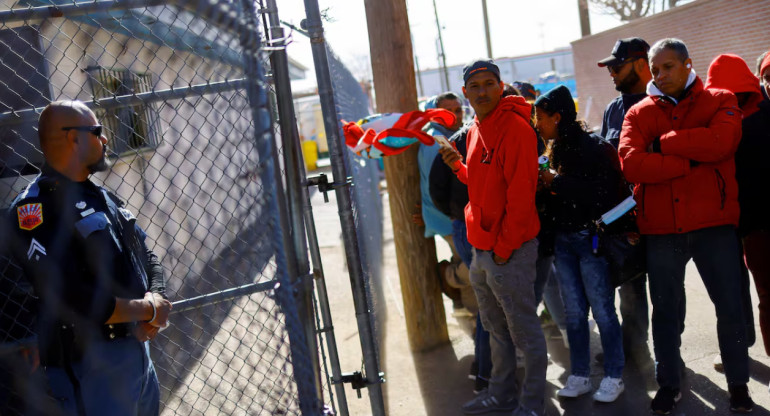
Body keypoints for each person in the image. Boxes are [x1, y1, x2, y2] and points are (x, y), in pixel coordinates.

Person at [6, 100, 171, 415]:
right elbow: (71, 298)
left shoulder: (101, 196)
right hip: (92, 363)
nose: (106, 139)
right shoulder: (35, 209)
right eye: (98, 132)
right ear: (74, 139)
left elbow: (145, 254)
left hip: (137, 351)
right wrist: (148, 309)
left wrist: (156, 298)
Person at [619, 39, 752, 414]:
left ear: (688, 64)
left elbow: (723, 142)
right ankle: (669, 383)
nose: (660, 75)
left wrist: (666, 144)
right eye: (655, 69)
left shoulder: (721, 99)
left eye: (668, 67)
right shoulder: (638, 113)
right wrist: (688, 163)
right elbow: (631, 164)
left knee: (729, 307)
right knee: (665, 310)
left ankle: (738, 384)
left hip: (715, 224)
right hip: (662, 228)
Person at [439, 59, 546, 416]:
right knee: (496, 331)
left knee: (525, 334)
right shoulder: (474, 130)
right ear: (466, 92)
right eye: (475, 86)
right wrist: (457, 166)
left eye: (489, 83)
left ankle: (532, 405)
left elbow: (521, 196)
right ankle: (501, 397)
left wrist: (502, 249)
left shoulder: (515, 129)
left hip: (508, 250)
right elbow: (484, 182)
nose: (482, 91)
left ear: (501, 87)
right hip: (482, 248)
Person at [535, 85, 626, 403]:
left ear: (558, 117)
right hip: (563, 241)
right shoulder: (554, 147)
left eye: (542, 117)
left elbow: (602, 193)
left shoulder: (593, 147)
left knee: (602, 311)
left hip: (592, 240)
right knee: (574, 314)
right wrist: (545, 177)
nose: (538, 124)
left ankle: (614, 376)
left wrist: (553, 181)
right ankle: (580, 375)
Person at [705, 53, 762, 373]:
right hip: (734, 216)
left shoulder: (752, 121)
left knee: (733, 286)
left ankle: (740, 344)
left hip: (737, 216)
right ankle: (740, 343)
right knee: (737, 285)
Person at [596, 37, 652, 364]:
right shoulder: (612, 108)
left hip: (661, 216)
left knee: (667, 290)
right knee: (629, 288)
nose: (612, 73)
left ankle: (670, 354)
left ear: (640, 64)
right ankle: (635, 350)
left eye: (617, 66)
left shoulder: (662, 102)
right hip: (624, 218)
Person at [415, 92, 466, 308]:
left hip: (449, 216)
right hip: (447, 217)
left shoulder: (448, 135)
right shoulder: (437, 141)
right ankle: (449, 277)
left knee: (468, 262)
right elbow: (437, 188)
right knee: (475, 266)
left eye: (457, 110)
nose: (454, 116)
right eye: (447, 112)